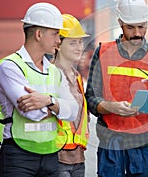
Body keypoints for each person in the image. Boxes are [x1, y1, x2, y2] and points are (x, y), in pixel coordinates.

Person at [85, 0, 148, 176]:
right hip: (112, 143)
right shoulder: (103, 52)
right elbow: (91, 100)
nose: (137, 33)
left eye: (141, 27)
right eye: (130, 27)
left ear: (147, 24)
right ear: (120, 23)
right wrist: (111, 107)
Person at [0, 2, 79, 176]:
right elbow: (31, 113)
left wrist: (48, 101)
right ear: (38, 34)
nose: (59, 41)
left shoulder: (54, 71)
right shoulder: (10, 67)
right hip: (18, 157)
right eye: (55, 34)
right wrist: (59, 107)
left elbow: (74, 111)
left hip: (51, 155)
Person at [53, 14, 90, 177]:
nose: (79, 47)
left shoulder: (77, 78)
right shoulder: (50, 74)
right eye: (72, 42)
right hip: (56, 158)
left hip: (78, 158)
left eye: (80, 41)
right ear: (58, 44)